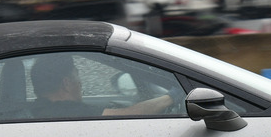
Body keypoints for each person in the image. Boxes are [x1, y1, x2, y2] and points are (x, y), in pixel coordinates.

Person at [29, 54, 173, 119]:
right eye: (77, 76)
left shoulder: (36, 109)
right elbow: (128, 115)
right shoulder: (69, 111)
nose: (80, 83)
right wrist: (172, 97)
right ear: (66, 83)